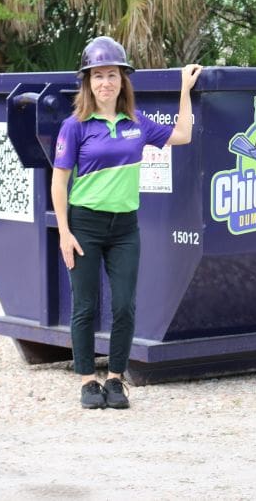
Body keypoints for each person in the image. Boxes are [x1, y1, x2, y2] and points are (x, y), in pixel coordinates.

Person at [51, 36, 201, 409]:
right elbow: (59, 180)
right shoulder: (75, 126)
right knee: (85, 306)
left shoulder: (138, 123)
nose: (106, 83)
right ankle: (88, 381)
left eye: (112, 75)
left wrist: (184, 88)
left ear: (122, 80)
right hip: (84, 225)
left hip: (124, 229)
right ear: (87, 82)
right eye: (98, 76)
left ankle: (116, 380)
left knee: (124, 306)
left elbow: (182, 135)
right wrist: (65, 233)